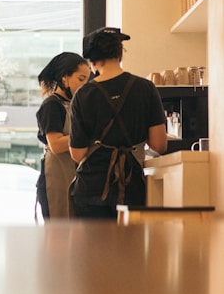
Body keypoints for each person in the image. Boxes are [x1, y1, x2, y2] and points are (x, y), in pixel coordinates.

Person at [69, 27, 167, 219]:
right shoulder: (146, 88)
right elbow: (159, 145)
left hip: (91, 188)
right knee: (129, 248)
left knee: (92, 249)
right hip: (131, 188)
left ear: (92, 61)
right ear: (120, 53)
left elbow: (77, 153)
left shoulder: (83, 94)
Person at [36, 51, 90, 219]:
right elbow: (56, 144)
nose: (85, 85)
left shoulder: (75, 105)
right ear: (65, 78)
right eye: (81, 79)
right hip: (55, 178)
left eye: (87, 80)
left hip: (72, 176)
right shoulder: (51, 105)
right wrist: (87, 136)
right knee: (59, 235)